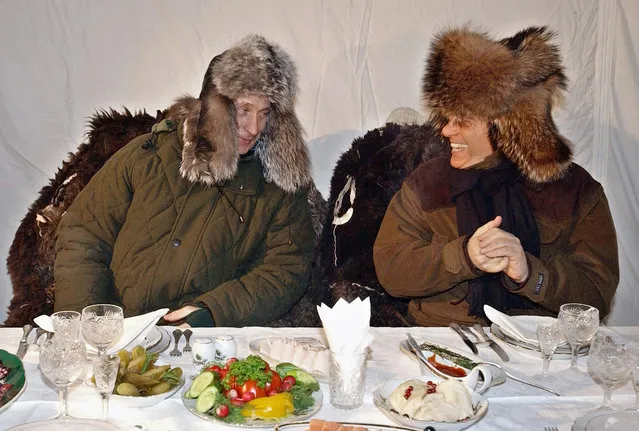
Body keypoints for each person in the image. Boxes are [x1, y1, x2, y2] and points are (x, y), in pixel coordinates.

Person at [54, 35, 316, 327]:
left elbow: (286, 268)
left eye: (264, 113)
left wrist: (215, 311)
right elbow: (84, 233)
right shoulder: (148, 155)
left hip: (200, 343)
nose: (254, 127)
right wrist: (84, 322)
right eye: (244, 109)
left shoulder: (277, 185)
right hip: (117, 331)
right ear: (216, 103)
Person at [373, 26, 619, 326]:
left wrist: (530, 273)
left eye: (462, 119)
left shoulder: (575, 190)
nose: (447, 130)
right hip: (440, 345)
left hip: (538, 352)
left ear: (508, 125)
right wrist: (463, 257)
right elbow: (391, 271)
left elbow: (596, 296)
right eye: (447, 118)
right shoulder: (428, 182)